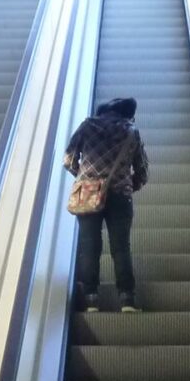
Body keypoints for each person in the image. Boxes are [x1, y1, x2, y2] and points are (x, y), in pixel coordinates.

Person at [63, 97, 149, 312]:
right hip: (120, 195)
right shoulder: (131, 131)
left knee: (89, 246)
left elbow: (68, 159)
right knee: (121, 247)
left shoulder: (87, 125)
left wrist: (85, 178)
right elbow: (142, 171)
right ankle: (127, 299)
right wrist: (130, 185)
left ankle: (91, 300)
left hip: (88, 194)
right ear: (126, 114)